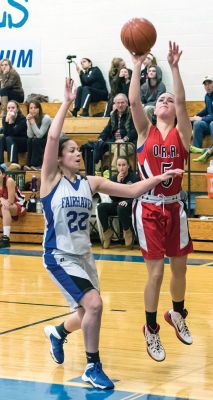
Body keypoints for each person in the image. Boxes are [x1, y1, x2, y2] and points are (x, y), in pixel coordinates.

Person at [41, 78, 183, 390]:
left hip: (85, 258)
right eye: (72, 150)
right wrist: (65, 102)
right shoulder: (50, 180)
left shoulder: (89, 182)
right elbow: (52, 138)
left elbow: (132, 189)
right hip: (59, 256)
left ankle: (58, 333)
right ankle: (93, 366)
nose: (78, 153)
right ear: (60, 158)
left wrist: (160, 176)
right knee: (94, 305)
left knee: (85, 312)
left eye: (78, 150)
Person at [129, 42, 193, 363]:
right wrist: (138, 64)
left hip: (175, 207)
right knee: (155, 274)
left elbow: (181, 100)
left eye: (169, 99)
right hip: (150, 207)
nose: (166, 100)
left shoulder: (183, 134)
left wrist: (175, 67)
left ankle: (177, 313)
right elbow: (133, 100)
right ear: (155, 110)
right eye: (161, 99)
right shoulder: (144, 131)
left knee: (180, 268)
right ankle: (151, 328)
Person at [97, 156, 138, 249]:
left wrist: (128, 201)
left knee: (121, 207)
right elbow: (113, 197)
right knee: (101, 207)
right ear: (117, 167)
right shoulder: (114, 178)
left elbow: (138, 194)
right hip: (117, 204)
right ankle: (107, 232)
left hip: (130, 205)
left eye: (124, 165)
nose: (122, 167)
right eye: (119, 165)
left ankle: (127, 231)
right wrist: (118, 182)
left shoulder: (134, 177)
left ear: (128, 166)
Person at [95, 93, 137, 169]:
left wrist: (124, 140)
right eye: (118, 103)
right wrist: (101, 138)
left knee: (120, 149)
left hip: (129, 144)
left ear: (127, 103)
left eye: (122, 102)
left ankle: (114, 173)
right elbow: (107, 130)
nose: (120, 105)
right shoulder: (113, 115)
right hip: (114, 142)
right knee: (98, 145)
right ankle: (96, 172)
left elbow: (135, 131)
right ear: (115, 104)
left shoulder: (133, 114)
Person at [0, 165, 27, 248]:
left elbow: (11, 201)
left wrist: (1, 200)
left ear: (3, 175)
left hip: (19, 204)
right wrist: (1, 199)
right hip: (6, 205)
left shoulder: (9, 181)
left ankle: (6, 239)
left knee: (5, 207)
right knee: (4, 207)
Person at [24, 100, 52, 170]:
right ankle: (29, 165)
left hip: (51, 140)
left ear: (39, 109)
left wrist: (32, 122)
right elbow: (30, 135)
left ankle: (37, 165)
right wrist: (29, 122)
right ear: (28, 110)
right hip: (40, 140)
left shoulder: (46, 118)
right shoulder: (30, 118)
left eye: (35, 108)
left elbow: (40, 135)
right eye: (31, 108)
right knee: (30, 140)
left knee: (36, 140)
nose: (33, 110)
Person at [0, 100, 27, 165]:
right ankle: (1, 163)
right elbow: (6, 134)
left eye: (13, 108)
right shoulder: (4, 118)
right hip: (10, 142)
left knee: (9, 138)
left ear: (17, 109)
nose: (10, 110)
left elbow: (14, 133)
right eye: (8, 108)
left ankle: (14, 163)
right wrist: (6, 121)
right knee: (2, 139)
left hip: (23, 143)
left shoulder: (22, 119)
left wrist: (11, 121)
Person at [190, 76, 213, 148]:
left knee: (212, 124)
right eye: (205, 84)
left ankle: (211, 150)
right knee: (198, 124)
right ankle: (196, 149)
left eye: (209, 83)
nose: (207, 86)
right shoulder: (207, 96)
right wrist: (195, 116)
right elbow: (207, 110)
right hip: (209, 123)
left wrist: (201, 118)